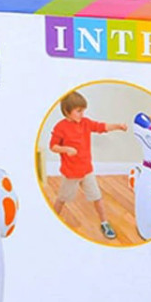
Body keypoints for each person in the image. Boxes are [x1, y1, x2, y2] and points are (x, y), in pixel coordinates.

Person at [49, 91, 127, 239]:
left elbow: (101, 127)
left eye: (83, 110)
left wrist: (117, 126)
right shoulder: (60, 127)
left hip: (87, 170)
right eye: (78, 111)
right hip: (71, 173)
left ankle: (104, 222)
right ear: (67, 111)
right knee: (62, 199)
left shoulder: (85, 123)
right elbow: (53, 146)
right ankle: (52, 219)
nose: (82, 114)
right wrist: (66, 149)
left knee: (97, 197)